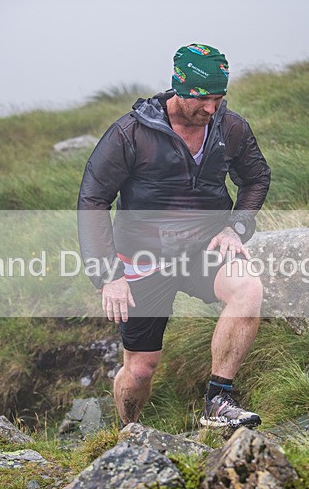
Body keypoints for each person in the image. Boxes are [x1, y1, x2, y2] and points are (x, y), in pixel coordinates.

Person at [77, 43, 271, 428]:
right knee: (141, 369)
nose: (211, 109)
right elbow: (93, 199)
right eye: (202, 99)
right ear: (179, 89)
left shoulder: (230, 128)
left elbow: (256, 178)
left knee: (248, 289)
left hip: (204, 248)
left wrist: (238, 226)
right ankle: (129, 432)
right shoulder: (130, 134)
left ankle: (218, 401)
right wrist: (107, 274)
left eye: (218, 98)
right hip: (143, 258)